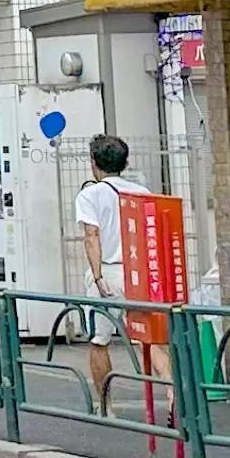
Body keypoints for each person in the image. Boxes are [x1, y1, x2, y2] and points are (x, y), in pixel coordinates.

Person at [72, 135, 165, 414]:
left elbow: (92, 236)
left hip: (108, 274)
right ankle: (173, 393)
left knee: (99, 341)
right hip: (139, 274)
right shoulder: (142, 193)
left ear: (93, 163)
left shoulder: (90, 195)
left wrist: (98, 277)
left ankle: (106, 406)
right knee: (150, 340)